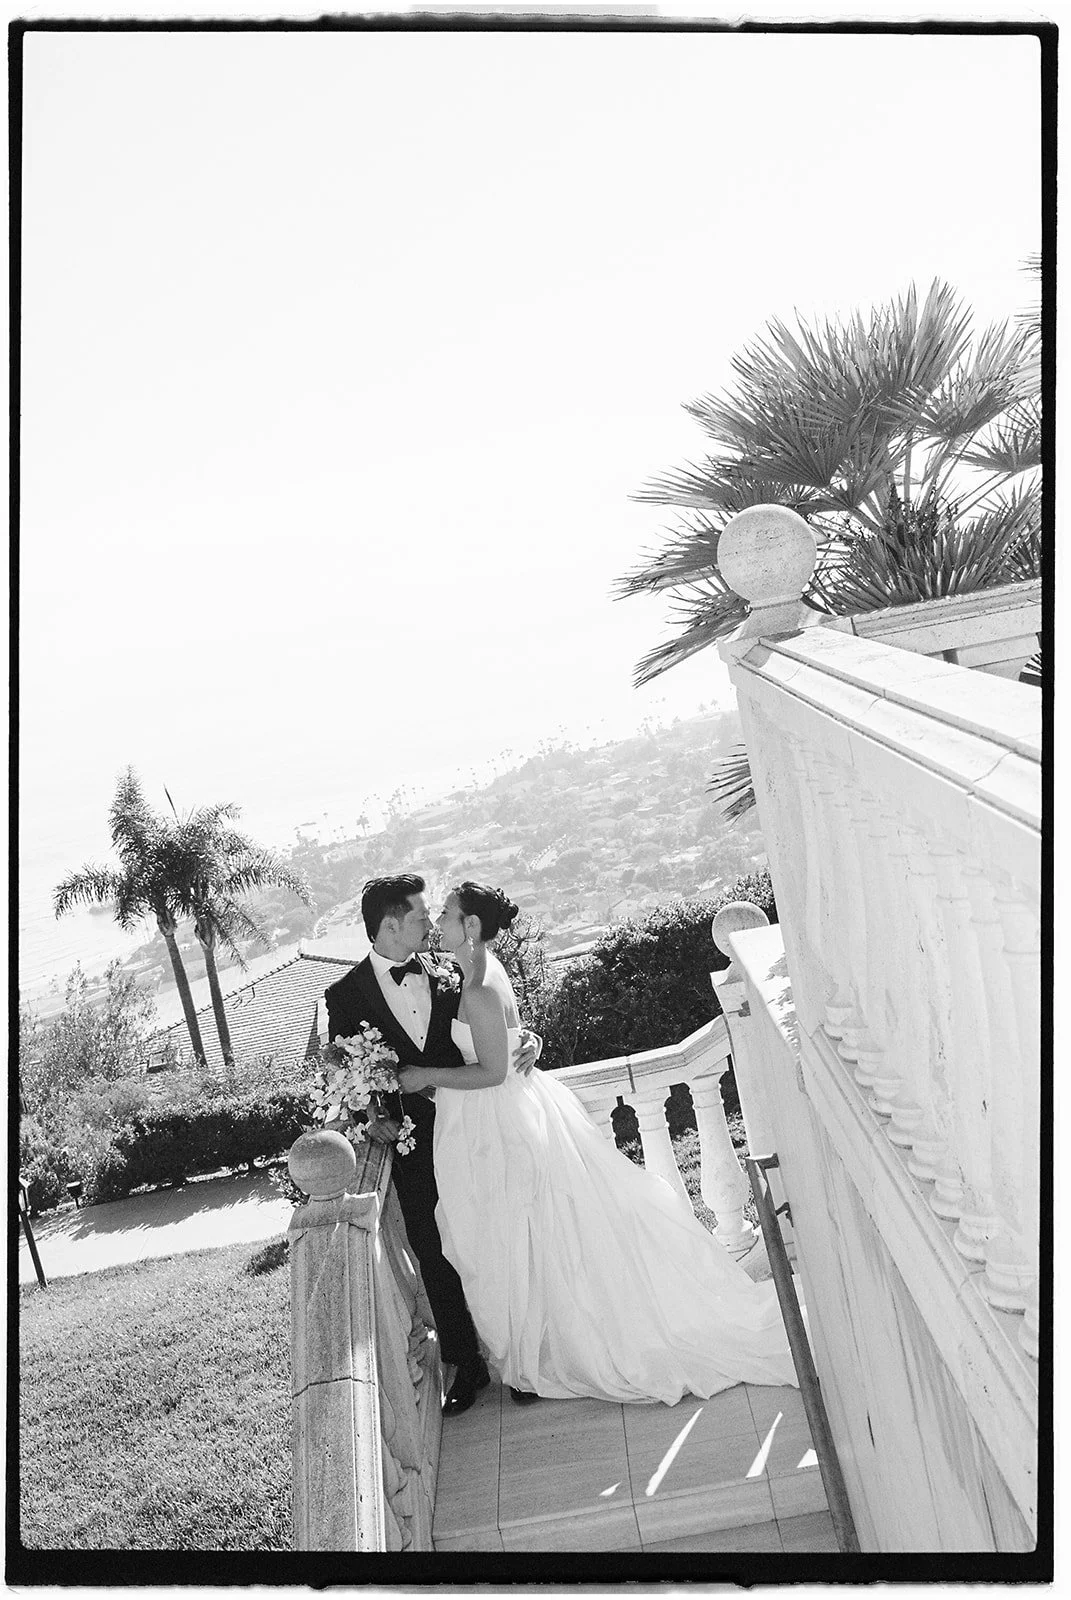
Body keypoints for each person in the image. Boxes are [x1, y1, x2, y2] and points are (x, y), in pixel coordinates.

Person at [396, 882, 802, 1406]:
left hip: (501, 1124)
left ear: (471, 927)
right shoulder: (476, 973)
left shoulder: (476, 986)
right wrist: (527, 1040)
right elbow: (507, 1038)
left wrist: (424, 1075)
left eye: (447, 914)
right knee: (529, 1239)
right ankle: (539, 1351)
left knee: (528, 1237)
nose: (438, 922)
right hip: (502, 1118)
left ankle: (547, 1354)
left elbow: (494, 1071)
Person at [324, 874, 541, 1416]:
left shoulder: (450, 974)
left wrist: (530, 1041)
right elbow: (343, 1069)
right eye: (421, 916)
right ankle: (467, 1367)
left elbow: (491, 1035)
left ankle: (517, 1355)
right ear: (391, 924)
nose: (429, 922)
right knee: (435, 1252)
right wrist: (368, 1116)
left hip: (475, 1134)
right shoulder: (344, 995)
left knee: (494, 1237)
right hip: (415, 1149)